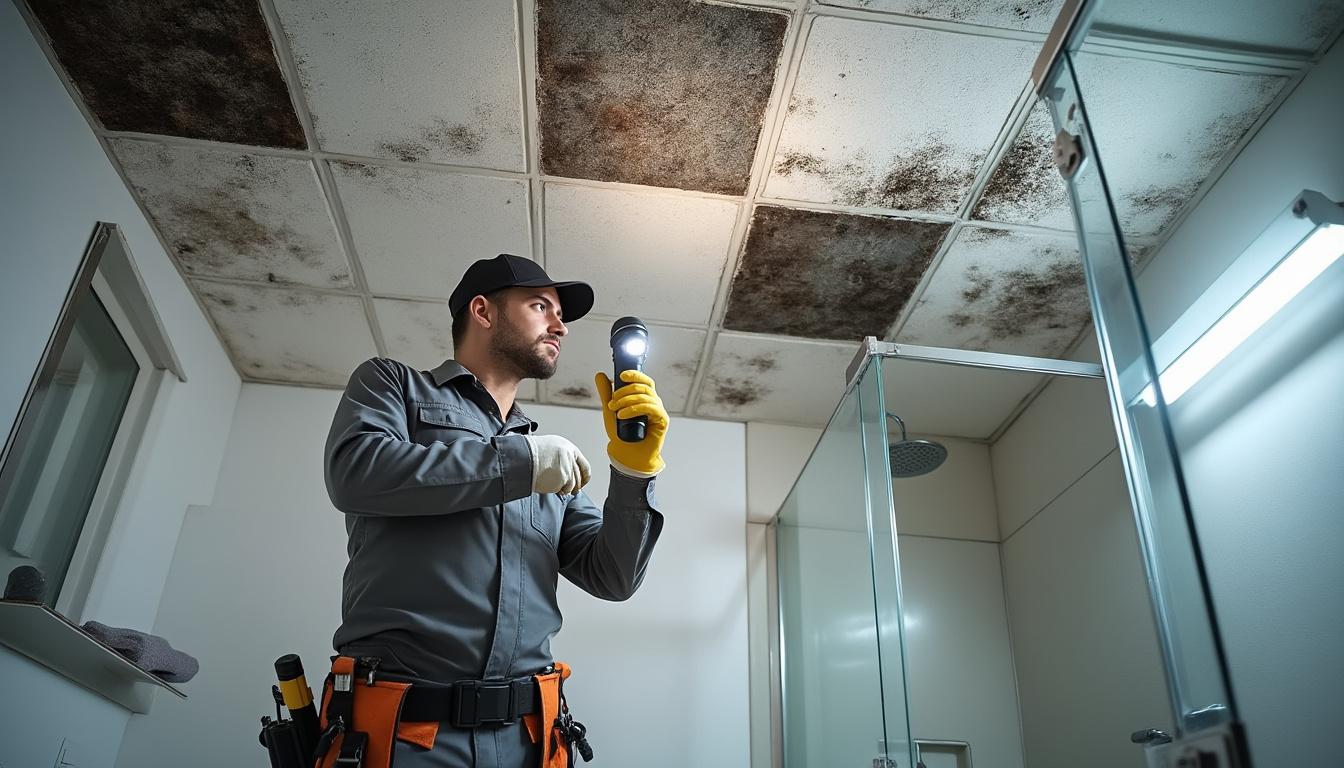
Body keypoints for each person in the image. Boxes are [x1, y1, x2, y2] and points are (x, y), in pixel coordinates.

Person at [321, 253, 669, 768]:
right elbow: (356, 472)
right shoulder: (394, 385)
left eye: (562, 315)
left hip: (529, 737)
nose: (561, 326)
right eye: (540, 306)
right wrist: (520, 463)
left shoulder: (551, 461)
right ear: (483, 312)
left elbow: (613, 577)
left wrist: (634, 472)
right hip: (402, 734)